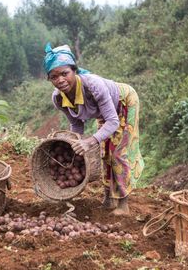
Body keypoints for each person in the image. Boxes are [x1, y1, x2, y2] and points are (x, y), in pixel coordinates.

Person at [44, 43, 144, 216]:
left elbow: (112, 121)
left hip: (124, 102)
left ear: (74, 71)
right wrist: (75, 144)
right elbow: (76, 124)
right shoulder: (58, 98)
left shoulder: (93, 85)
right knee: (104, 151)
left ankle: (123, 204)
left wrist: (89, 141)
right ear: (50, 80)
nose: (60, 80)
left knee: (118, 153)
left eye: (64, 73)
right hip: (105, 114)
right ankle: (108, 198)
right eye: (54, 77)